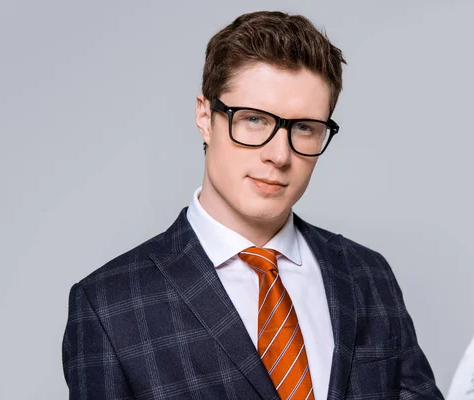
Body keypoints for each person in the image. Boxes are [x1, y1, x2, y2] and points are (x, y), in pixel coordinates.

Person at [62, 11, 444, 400]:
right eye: (255, 121)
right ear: (205, 117)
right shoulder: (109, 305)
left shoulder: (368, 275)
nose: (279, 155)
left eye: (305, 128)